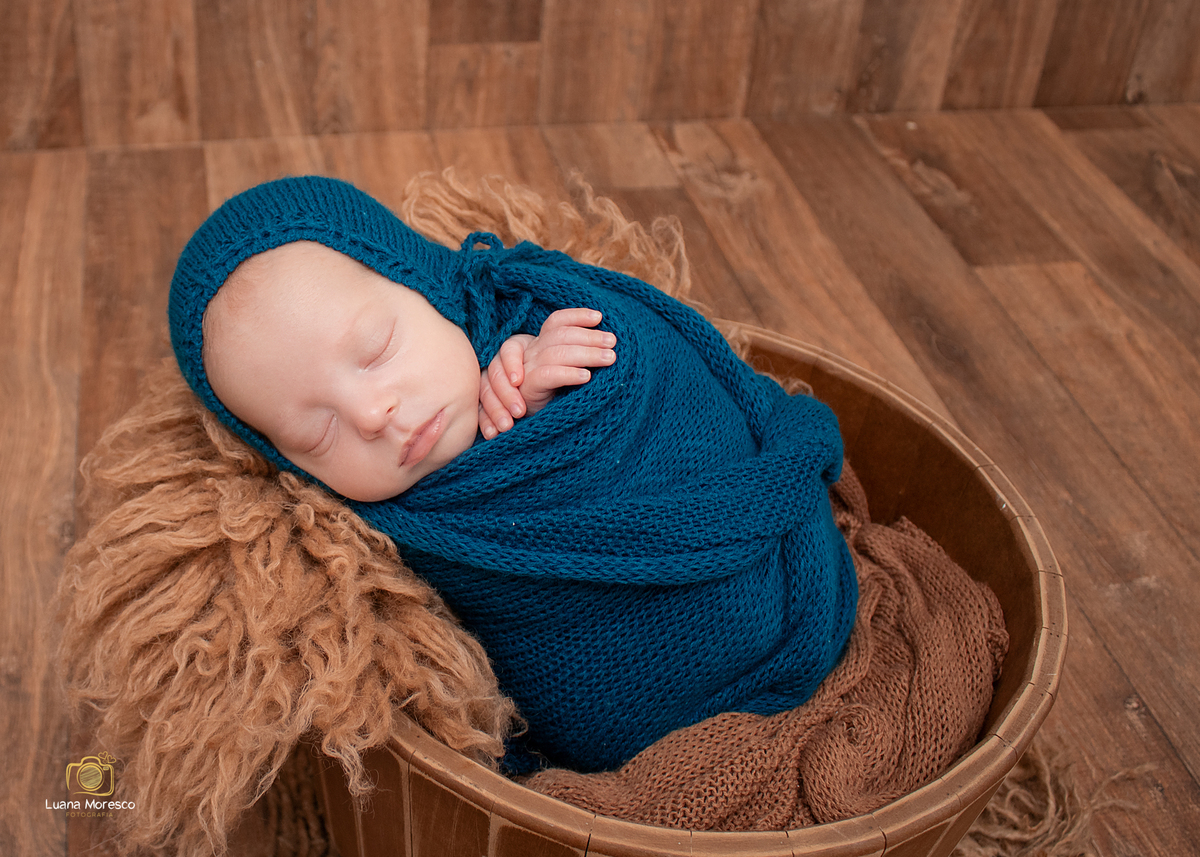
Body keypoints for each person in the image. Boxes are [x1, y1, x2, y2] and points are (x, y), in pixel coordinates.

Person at [170, 175, 858, 774]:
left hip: (767, 579)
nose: (372, 413)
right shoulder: (377, 536)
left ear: (427, 284)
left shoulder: (529, 319)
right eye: (315, 432)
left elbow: (638, 366)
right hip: (618, 719)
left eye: (376, 349)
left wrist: (545, 367)